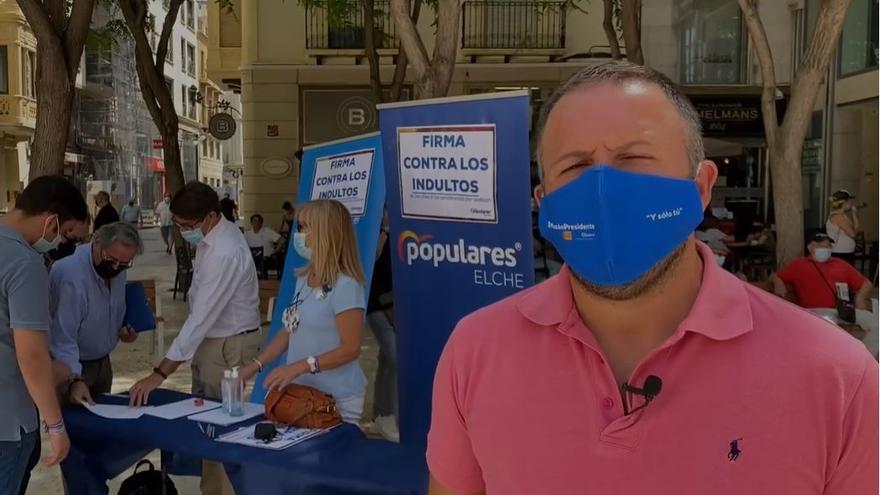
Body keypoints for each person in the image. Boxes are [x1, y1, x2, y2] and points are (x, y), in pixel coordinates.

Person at [426, 62, 877, 495]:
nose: (603, 190)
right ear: (544, 202)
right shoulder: (476, 351)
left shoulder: (836, 376)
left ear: (700, 187)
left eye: (634, 158)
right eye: (576, 166)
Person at [128, 181, 260, 495]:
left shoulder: (225, 251)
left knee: (221, 433)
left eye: (188, 225)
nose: (184, 230)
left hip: (228, 346)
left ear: (211, 216)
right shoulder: (210, 240)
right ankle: (211, 489)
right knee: (206, 428)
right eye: (178, 224)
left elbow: (200, 320)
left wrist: (160, 373)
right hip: (212, 342)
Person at [239, 199, 367, 424]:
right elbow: (289, 331)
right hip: (301, 396)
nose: (297, 234)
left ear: (325, 232)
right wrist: (253, 367)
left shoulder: (346, 285)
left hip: (337, 400)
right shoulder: (305, 279)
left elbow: (350, 349)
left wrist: (300, 367)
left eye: (303, 227)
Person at [0, 176, 88, 493]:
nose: (62, 244)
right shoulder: (25, 263)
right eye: (64, 234)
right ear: (51, 221)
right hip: (7, 423)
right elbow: (32, 355)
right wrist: (56, 425)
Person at [49, 222, 141, 406]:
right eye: (111, 260)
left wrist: (125, 329)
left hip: (103, 363)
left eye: (123, 264)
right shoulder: (69, 275)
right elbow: (62, 337)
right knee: (73, 429)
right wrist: (74, 379)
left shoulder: (117, 267)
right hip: (72, 364)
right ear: (96, 241)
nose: (115, 268)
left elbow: (112, 308)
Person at [772, 231, 872, 311]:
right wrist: (778, 283)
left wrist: (860, 298)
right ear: (809, 247)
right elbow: (776, 276)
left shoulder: (841, 264)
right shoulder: (799, 264)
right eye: (820, 245)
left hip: (838, 315)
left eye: (828, 246)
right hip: (813, 316)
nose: (825, 249)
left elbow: (866, 283)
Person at [366, 210, 398, 441]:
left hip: (391, 304)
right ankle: (391, 416)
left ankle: (381, 413)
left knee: (388, 360)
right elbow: (375, 275)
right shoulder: (375, 237)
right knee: (394, 357)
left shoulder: (391, 236)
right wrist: (388, 306)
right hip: (377, 305)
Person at [826, 189, 860, 265]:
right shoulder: (838, 217)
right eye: (850, 201)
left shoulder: (843, 215)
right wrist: (855, 215)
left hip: (845, 253)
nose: (851, 203)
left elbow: (854, 229)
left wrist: (854, 215)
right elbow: (853, 234)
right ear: (845, 202)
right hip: (841, 254)